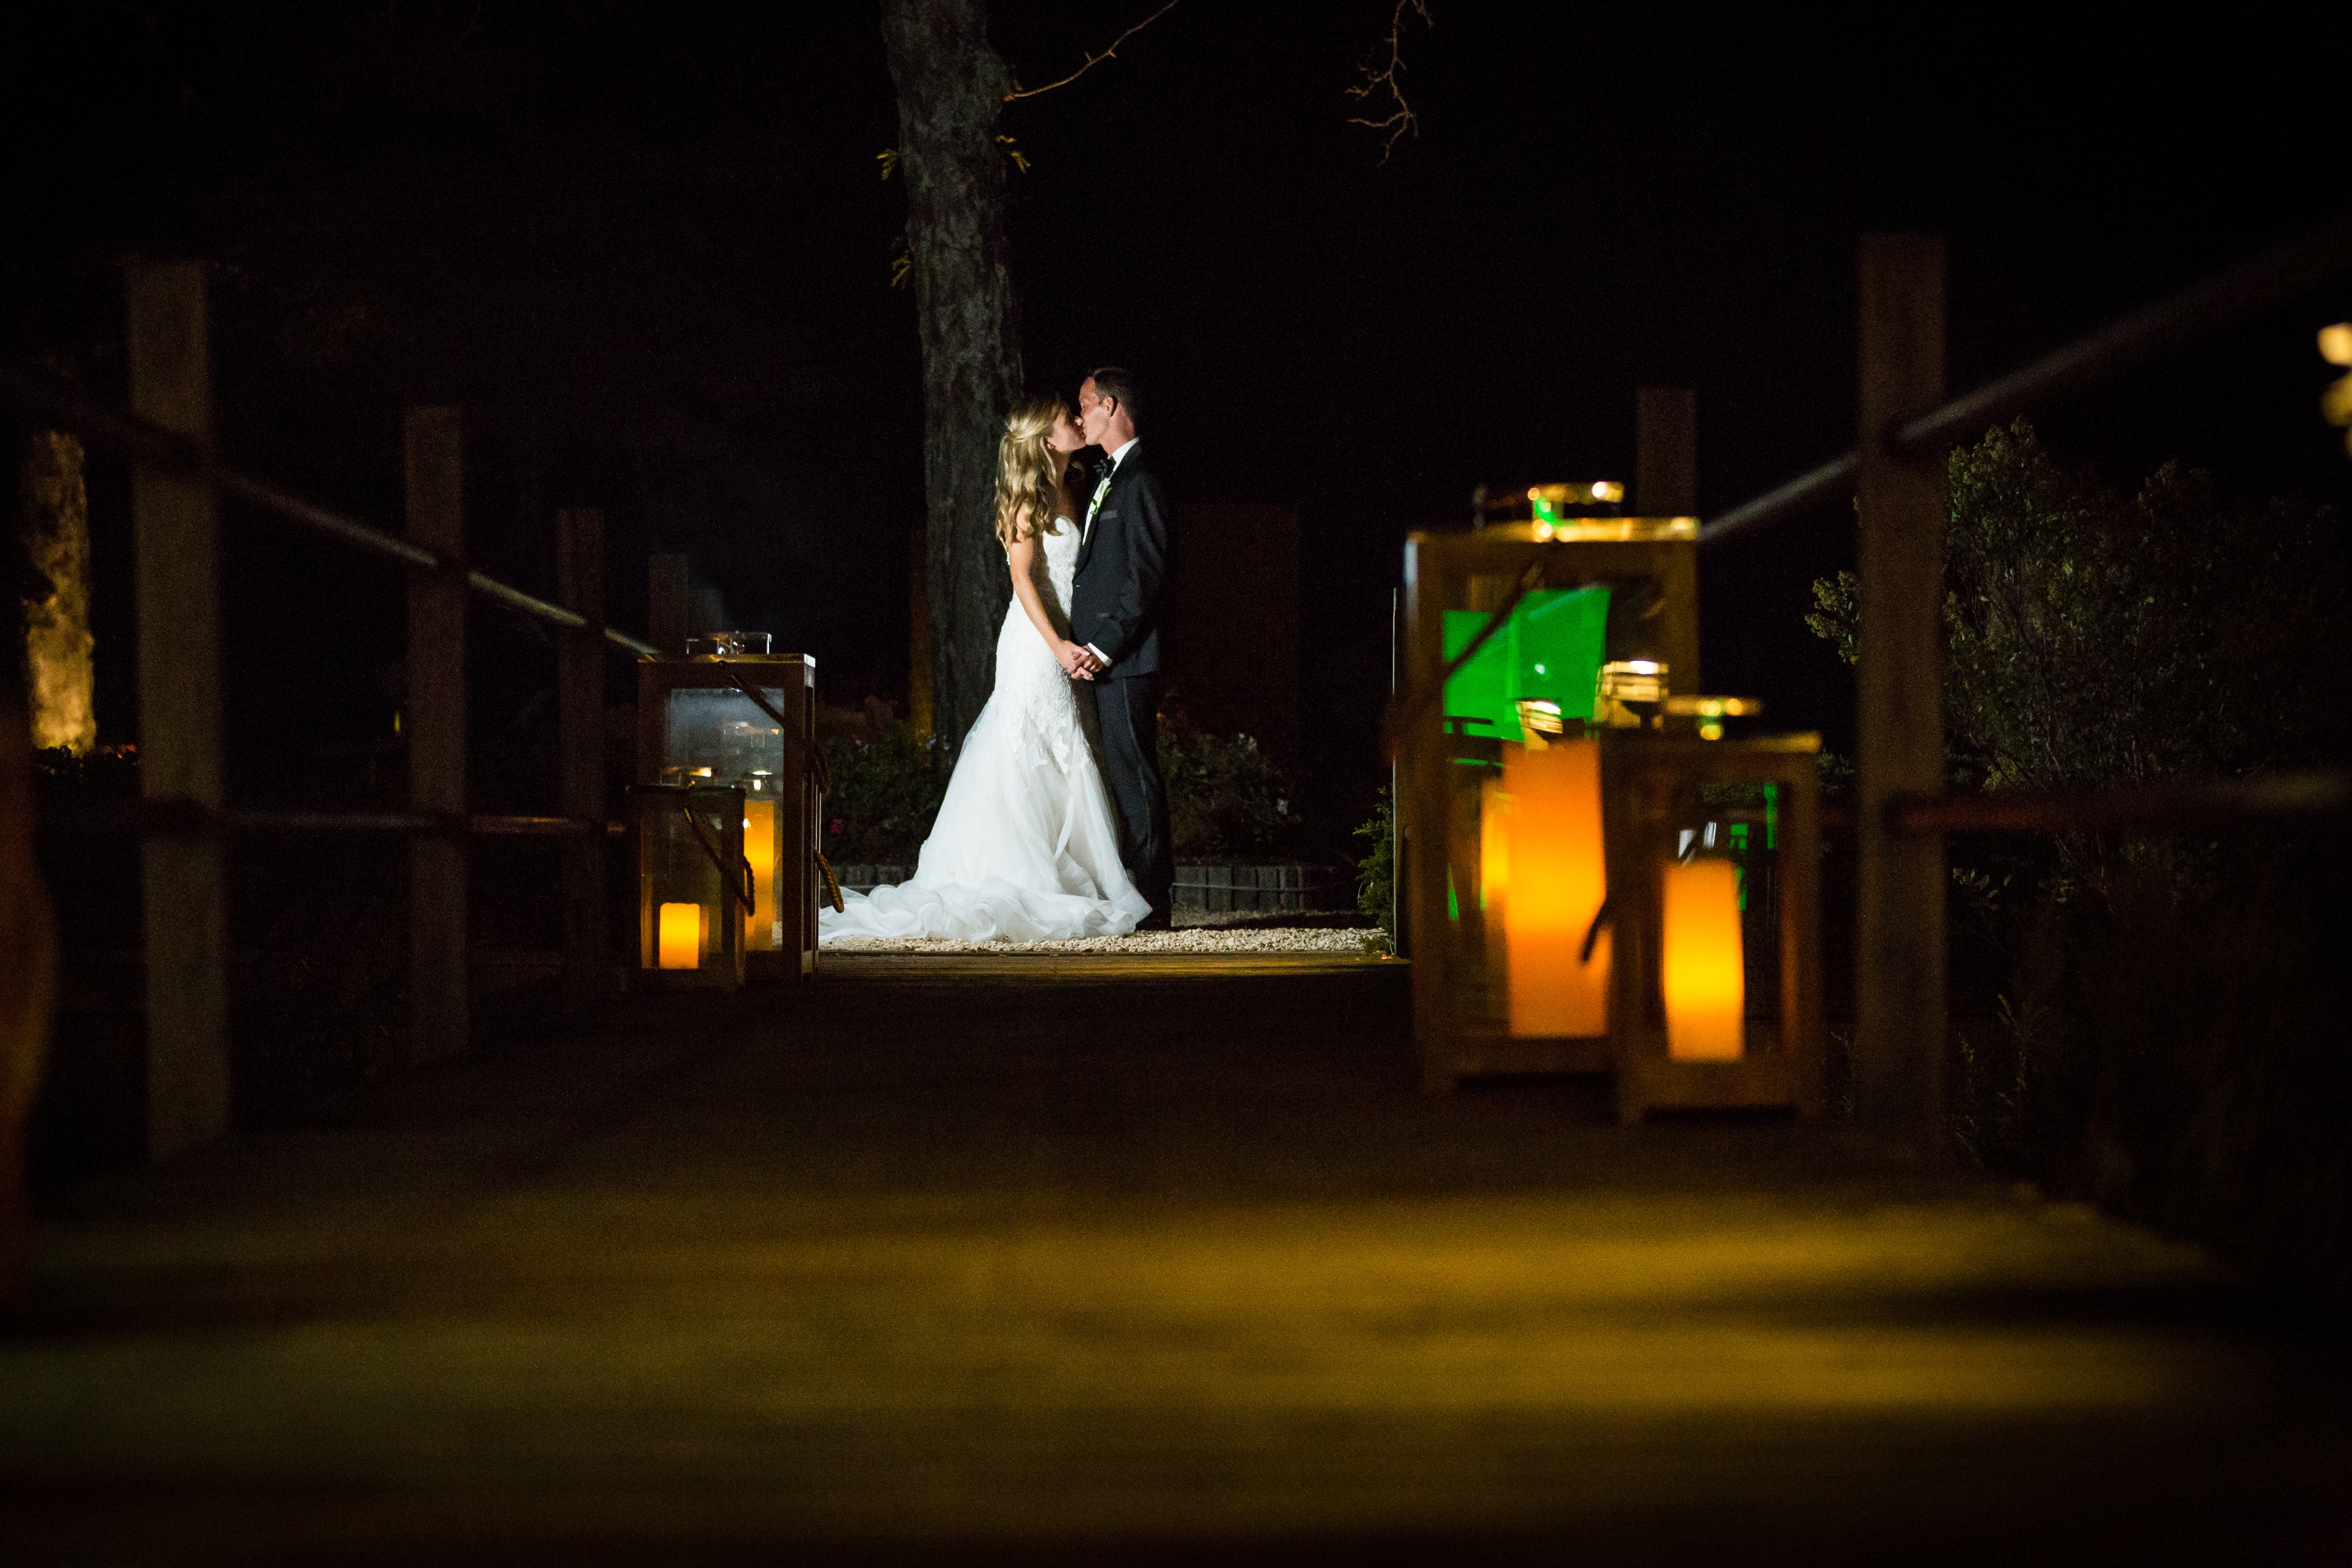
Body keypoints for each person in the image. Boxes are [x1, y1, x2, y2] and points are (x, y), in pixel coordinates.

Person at [819, 395, 1149, 944]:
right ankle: (1023, 877)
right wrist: (1059, 645)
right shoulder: (1026, 498)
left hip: (1066, 638)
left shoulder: (1075, 486)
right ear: (1045, 438)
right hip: (1035, 641)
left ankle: (1076, 875)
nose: (1074, 421)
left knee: (1066, 747)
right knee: (1036, 745)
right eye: (1065, 418)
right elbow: (1022, 582)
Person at [1068, 367, 1175, 928]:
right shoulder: (1106, 479)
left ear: (1110, 406)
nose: (1079, 416)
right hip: (1106, 661)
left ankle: (1153, 904)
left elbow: (1143, 581)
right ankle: (1138, 895)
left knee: (1135, 775)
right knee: (1121, 776)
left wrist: (1103, 648)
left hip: (1127, 661)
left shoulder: (1141, 483)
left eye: (1084, 405)